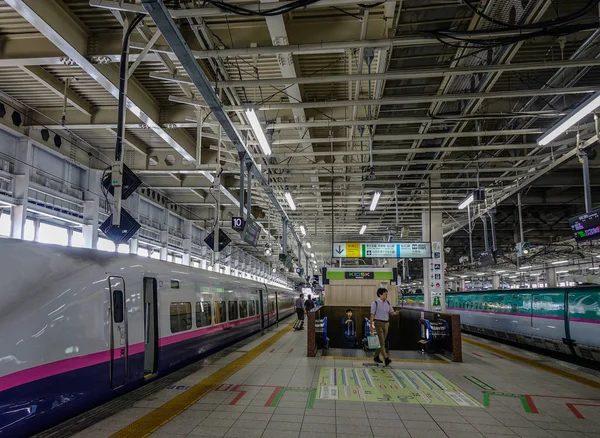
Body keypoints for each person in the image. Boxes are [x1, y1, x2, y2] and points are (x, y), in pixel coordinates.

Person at [369, 288, 399, 366]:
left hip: (386, 323)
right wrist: (371, 326)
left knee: (380, 342)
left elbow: (391, 312)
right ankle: (386, 358)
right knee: (382, 342)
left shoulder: (388, 303)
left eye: (387, 294)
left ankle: (376, 356)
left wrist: (395, 313)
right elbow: (372, 315)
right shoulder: (375, 303)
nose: (386, 295)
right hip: (378, 323)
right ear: (380, 295)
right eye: (385, 294)